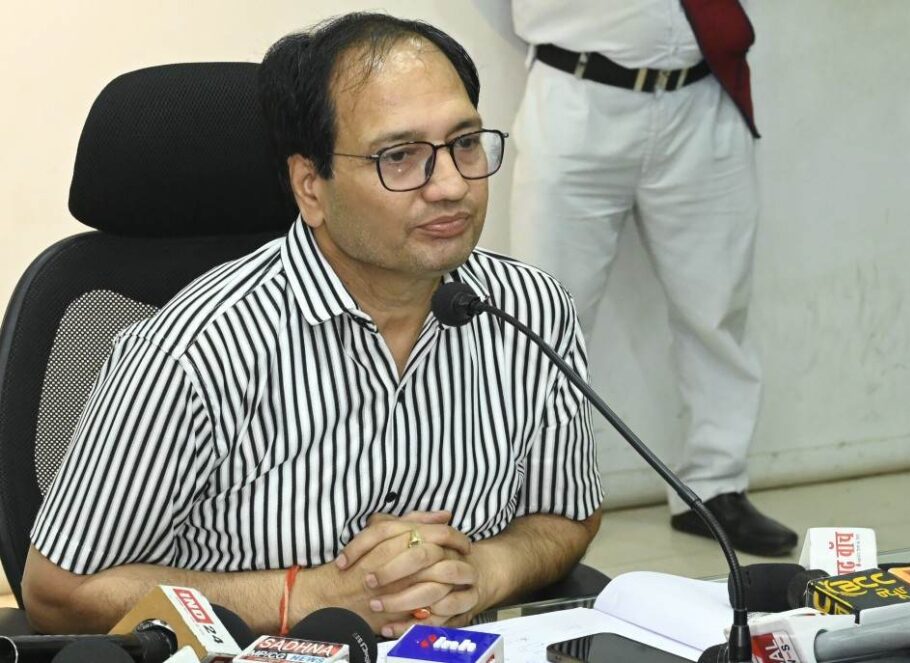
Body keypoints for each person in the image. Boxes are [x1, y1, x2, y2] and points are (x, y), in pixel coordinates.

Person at [22, 12, 602, 638]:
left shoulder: (533, 311)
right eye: (400, 157)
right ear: (310, 187)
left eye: (465, 143)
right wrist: (308, 597)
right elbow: (59, 592)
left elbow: (565, 513)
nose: (450, 186)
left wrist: (486, 571)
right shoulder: (194, 349)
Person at [508, 0, 796, 556]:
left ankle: (714, 485)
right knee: (544, 315)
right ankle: (529, 493)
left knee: (716, 308)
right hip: (578, 89)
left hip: (701, 94)